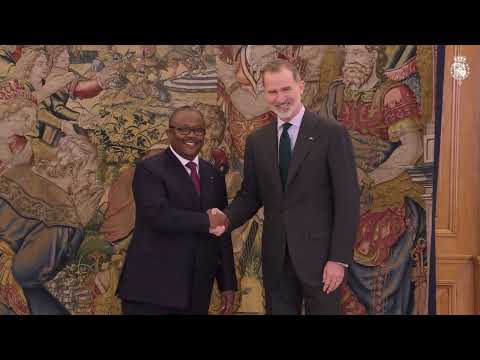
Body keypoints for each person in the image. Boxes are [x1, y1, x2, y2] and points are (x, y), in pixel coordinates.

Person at [209, 59, 359, 315]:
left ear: (300, 87)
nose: (280, 98)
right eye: (273, 92)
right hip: (277, 259)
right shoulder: (258, 141)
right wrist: (225, 219)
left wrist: (338, 259)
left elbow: (347, 201)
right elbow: (250, 195)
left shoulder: (331, 134)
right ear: (265, 94)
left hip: (322, 261)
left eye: (286, 89)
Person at [116, 106, 237, 315]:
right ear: (169, 133)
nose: (191, 136)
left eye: (198, 130)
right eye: (183, 130)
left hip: (196, 293)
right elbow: (158, 216)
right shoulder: (149, 169)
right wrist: (206, 221)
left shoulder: (213, 175)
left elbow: (221, 233)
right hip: (151, 293)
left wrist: (227, 283)